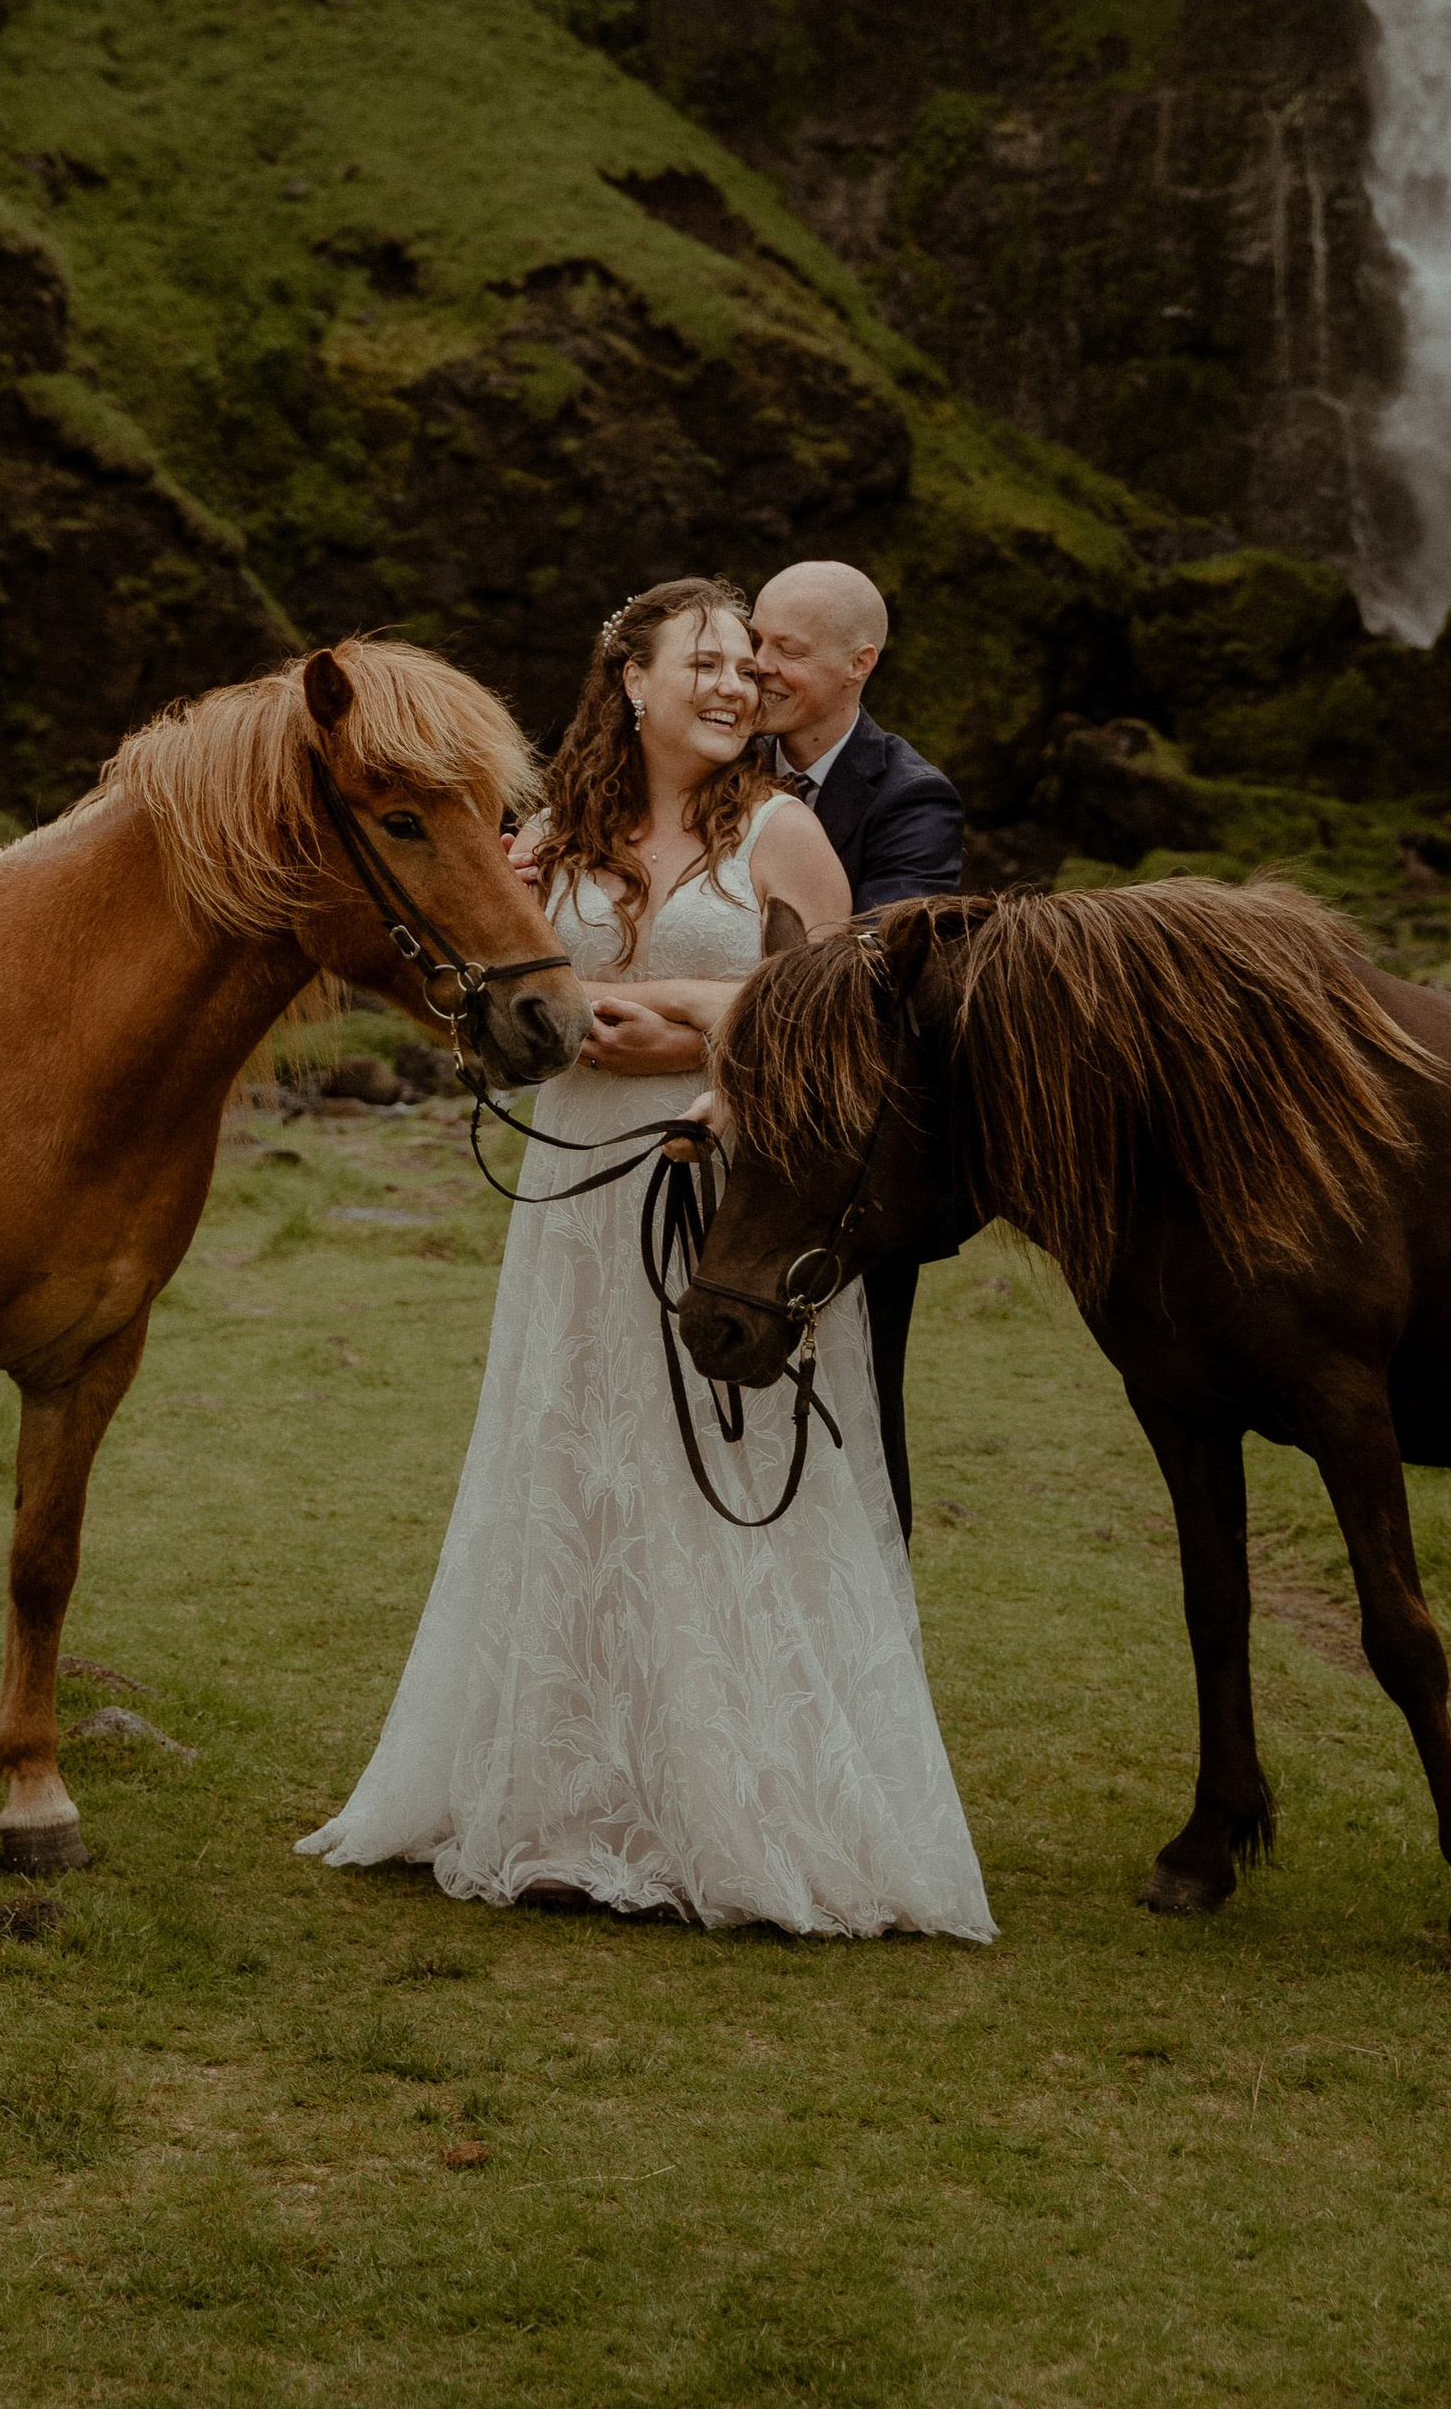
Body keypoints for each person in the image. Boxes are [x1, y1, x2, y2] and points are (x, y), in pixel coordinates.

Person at [297, 576, 993, 1941]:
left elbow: (842, 1013)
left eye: (746, 666)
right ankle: (567, 1806)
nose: (736, 686)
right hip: (573, 1184)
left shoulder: (785, 832)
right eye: (705, 664)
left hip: (726, 1179)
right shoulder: (546, 842)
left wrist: (684, 1020)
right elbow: (497, 985)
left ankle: (742, 1808)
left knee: (718, 1464)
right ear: (632, 681)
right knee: (577, 1465)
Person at [578, 559, 969, 1541]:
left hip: (841, 1162)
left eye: (784, 651)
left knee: (855, 1406)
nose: (754, 667)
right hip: (662, 1140)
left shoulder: (910, 800)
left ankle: (865, 1592)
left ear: (858, 665)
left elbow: (860, 991)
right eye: (752, 641)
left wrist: (672, 1028)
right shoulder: (715, 751)